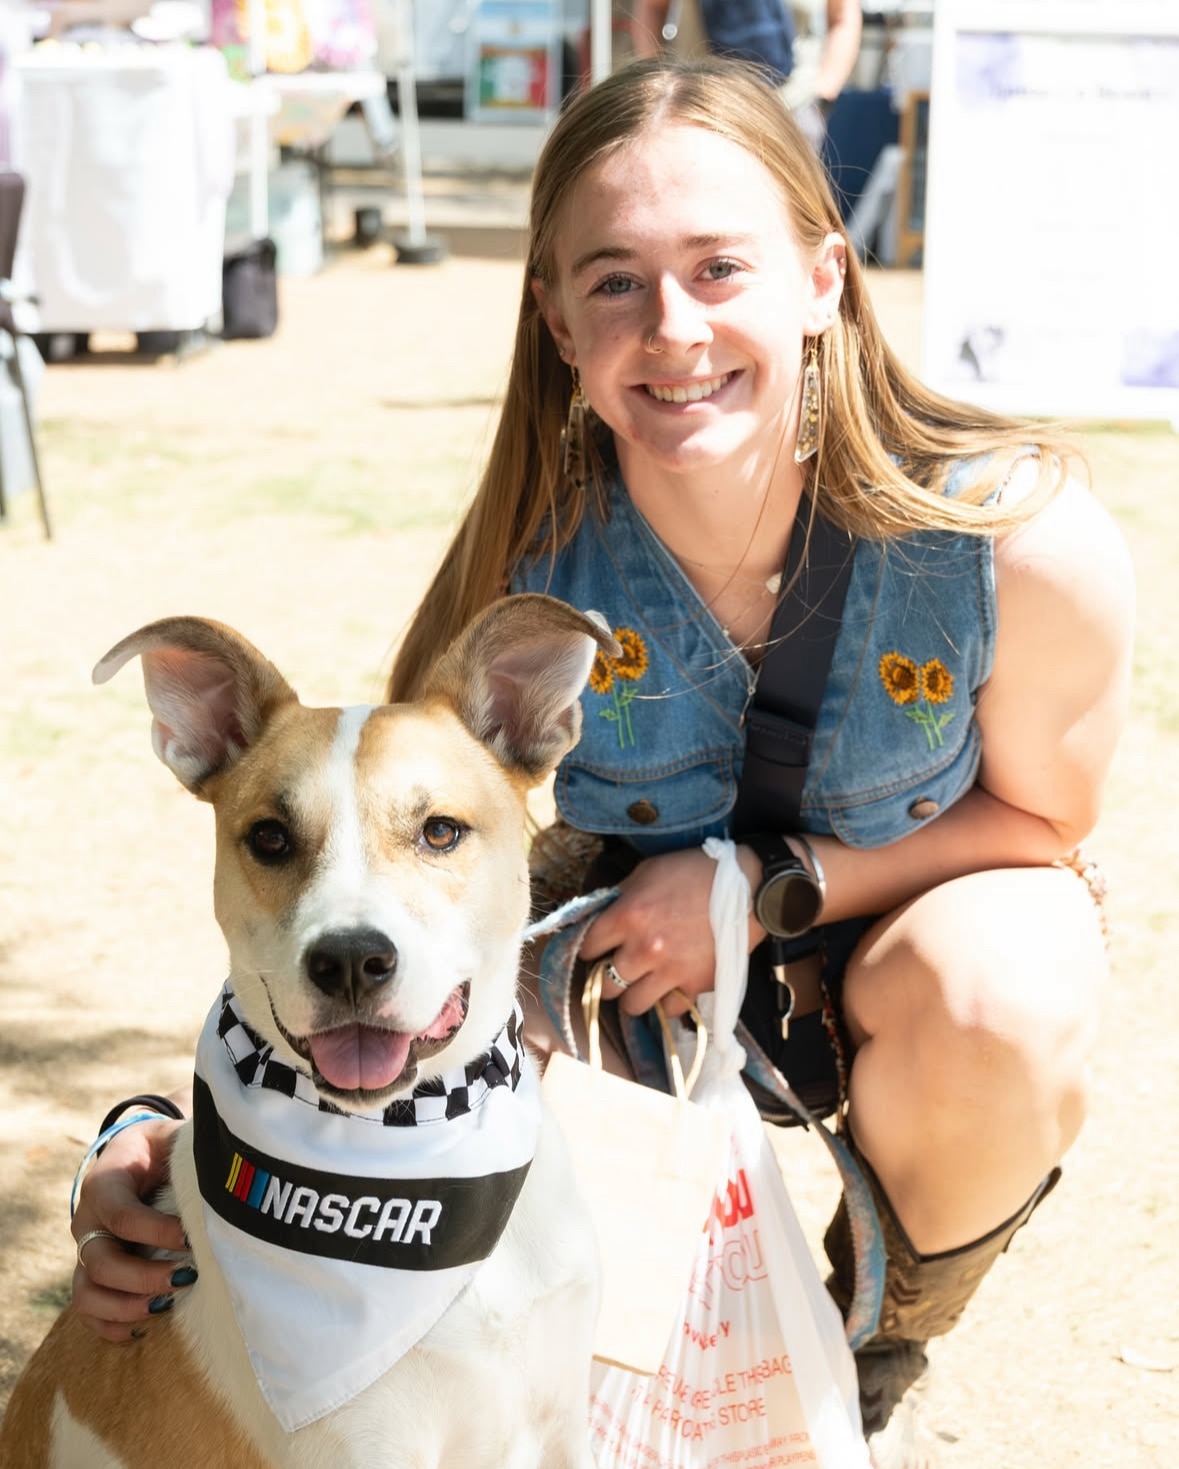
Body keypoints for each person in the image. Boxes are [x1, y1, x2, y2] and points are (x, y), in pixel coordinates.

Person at [68, 56, 1132, 1469]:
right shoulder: (522, 583)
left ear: (822, 276)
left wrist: (758, 890)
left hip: (896, 935)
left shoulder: (1015, 541)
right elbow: (372, 882)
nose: (672, 328)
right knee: (516, 1329)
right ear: (556, 319)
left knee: (1008, 983)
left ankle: (870, 1346)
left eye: (715, 266)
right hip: (622, 1001)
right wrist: (165, 1146)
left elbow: (1045, 823)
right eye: (615, 280)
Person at [629, 0, 863, 151]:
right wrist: (660, 82)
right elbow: (651, 8)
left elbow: (844, 16)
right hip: (700, 108)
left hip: (791, 109)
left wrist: (824, 91)